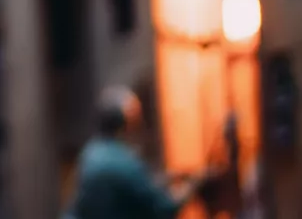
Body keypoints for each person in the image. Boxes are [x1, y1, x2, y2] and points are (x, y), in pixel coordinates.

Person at [66, 87, 206, 219]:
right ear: (126, 120)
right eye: (136, 115)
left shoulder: (91, 153)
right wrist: (195, 183)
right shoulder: (125, 162)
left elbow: (126, 191)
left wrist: (168, 179)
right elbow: (163, 209)